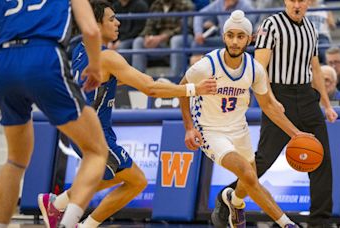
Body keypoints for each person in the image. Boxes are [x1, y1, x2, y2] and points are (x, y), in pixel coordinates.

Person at [42, 1, 217, 227]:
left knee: (110, 176)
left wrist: (152, 82)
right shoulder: (107, 57)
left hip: (81, 130)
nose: (118, 22)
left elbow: (112, 80)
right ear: (96, 24)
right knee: (136, 181)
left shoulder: (80, 49)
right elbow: (150, 89)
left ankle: (57, 205)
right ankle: (80, 223)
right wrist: (193, 89)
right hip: (96, 135)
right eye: (112, 19)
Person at [0, 0, 110, 227]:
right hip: (44, 56)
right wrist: (96, 66)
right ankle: (67, 224)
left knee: (16, 160)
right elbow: (90, 30)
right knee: (97, 151)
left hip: (4, 63)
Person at [180, 10, 314, 228]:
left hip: (239, 128)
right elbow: (181, 89)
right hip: (210, 129)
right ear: (224, 37)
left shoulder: (254, 69)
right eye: (230, 35)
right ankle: (286, 223)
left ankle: (234, 200)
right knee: (246, 173)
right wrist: (188, 127)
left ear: (249, 39)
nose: (234, 41)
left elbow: (268, 105)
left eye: (240, 36)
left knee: (248, 179)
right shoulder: (207, 65)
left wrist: (296, 134)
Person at [212, 1, 338, 227]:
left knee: (322, 161)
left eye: (301, 0)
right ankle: (228, 195)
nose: (296, 4)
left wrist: (327, 105)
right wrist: (270, 99)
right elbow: (259, 70)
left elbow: (315, 68)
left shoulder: (311, 28)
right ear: (286, 2)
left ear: (308, 3)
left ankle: (321, 222)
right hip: (280, 95)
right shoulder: (271, 25)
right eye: (292, 0)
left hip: (308, 98)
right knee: (264, 159)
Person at [131, 0, 194, 77]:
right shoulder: (156, 4)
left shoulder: (186, 4)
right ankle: (138, 81)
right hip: (159, 41)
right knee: (138, 41)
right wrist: (147, 36)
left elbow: (186, 27)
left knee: (176, 40)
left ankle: (176, 80)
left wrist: (162, 37)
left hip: (182, 38)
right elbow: (149, 25)